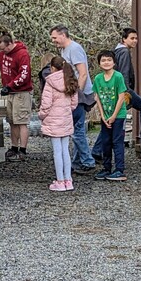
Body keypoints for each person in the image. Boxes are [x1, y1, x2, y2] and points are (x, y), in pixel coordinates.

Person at [92, 27, 141, 161]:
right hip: (123, 91)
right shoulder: (123, 52)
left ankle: (96, 151)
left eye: (136, 38)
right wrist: (125, 92)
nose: (135, 41)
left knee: (111, 121)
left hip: (115, 91)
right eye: (132, 38)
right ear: (124, 39)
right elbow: (123, 73)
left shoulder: (117, 51)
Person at [49, 25, 96, 175]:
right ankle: (77, 162)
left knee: (77, 130)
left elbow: (82, 73)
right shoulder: (63, 50)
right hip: (73, 92)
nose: (53, 41)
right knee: (76, 128)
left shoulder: (74, 49)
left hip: (79, 93)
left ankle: (88, 161)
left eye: (55, 38)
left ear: (63, 35)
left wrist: (77, 94)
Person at [0, 33, 33, 161]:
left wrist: (10, 85)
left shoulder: (22, 54)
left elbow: (24, 75)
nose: (3, 51)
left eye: (4, 48)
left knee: (21, 121)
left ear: (10, 44)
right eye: (0, 49)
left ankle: (23, 150)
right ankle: (14, 147)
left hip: (21, 92)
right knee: (12, 120)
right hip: (10, 92)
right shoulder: (3, 54)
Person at [38, 56, 79, 191]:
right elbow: (74, 103)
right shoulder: (71, 80)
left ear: (52, 68)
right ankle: (68, 180)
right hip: (66, 119)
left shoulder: (50, 82)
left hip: (53, 120)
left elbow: (46, 104)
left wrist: (41, 116)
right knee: (66, 150)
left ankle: (60, 181)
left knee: (57, 152)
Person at [92, 50, 128, 181]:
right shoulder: (98, 78)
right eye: (103, 60)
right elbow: (98, 98)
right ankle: (106, 168)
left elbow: (121, 97)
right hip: (105, 116)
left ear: (114, 62)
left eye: (109, 60)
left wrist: (113, 116)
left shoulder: (118, 77)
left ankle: (119, 170)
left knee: (117, 142)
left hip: (118, 115)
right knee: (105, 143)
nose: (106, 63)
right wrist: (102, 115)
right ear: (99, 63)